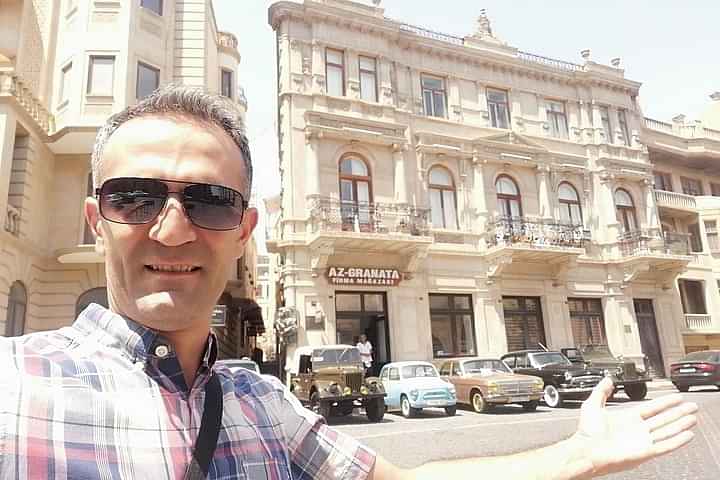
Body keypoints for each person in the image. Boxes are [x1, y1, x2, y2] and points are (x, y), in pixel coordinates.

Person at [0, 85, 698, 480]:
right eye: (136, 197)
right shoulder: (13, 387)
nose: (174, 230)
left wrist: (579, 452)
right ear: (98, 220)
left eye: (209, 201)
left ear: (244, 230)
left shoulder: (259, 402)